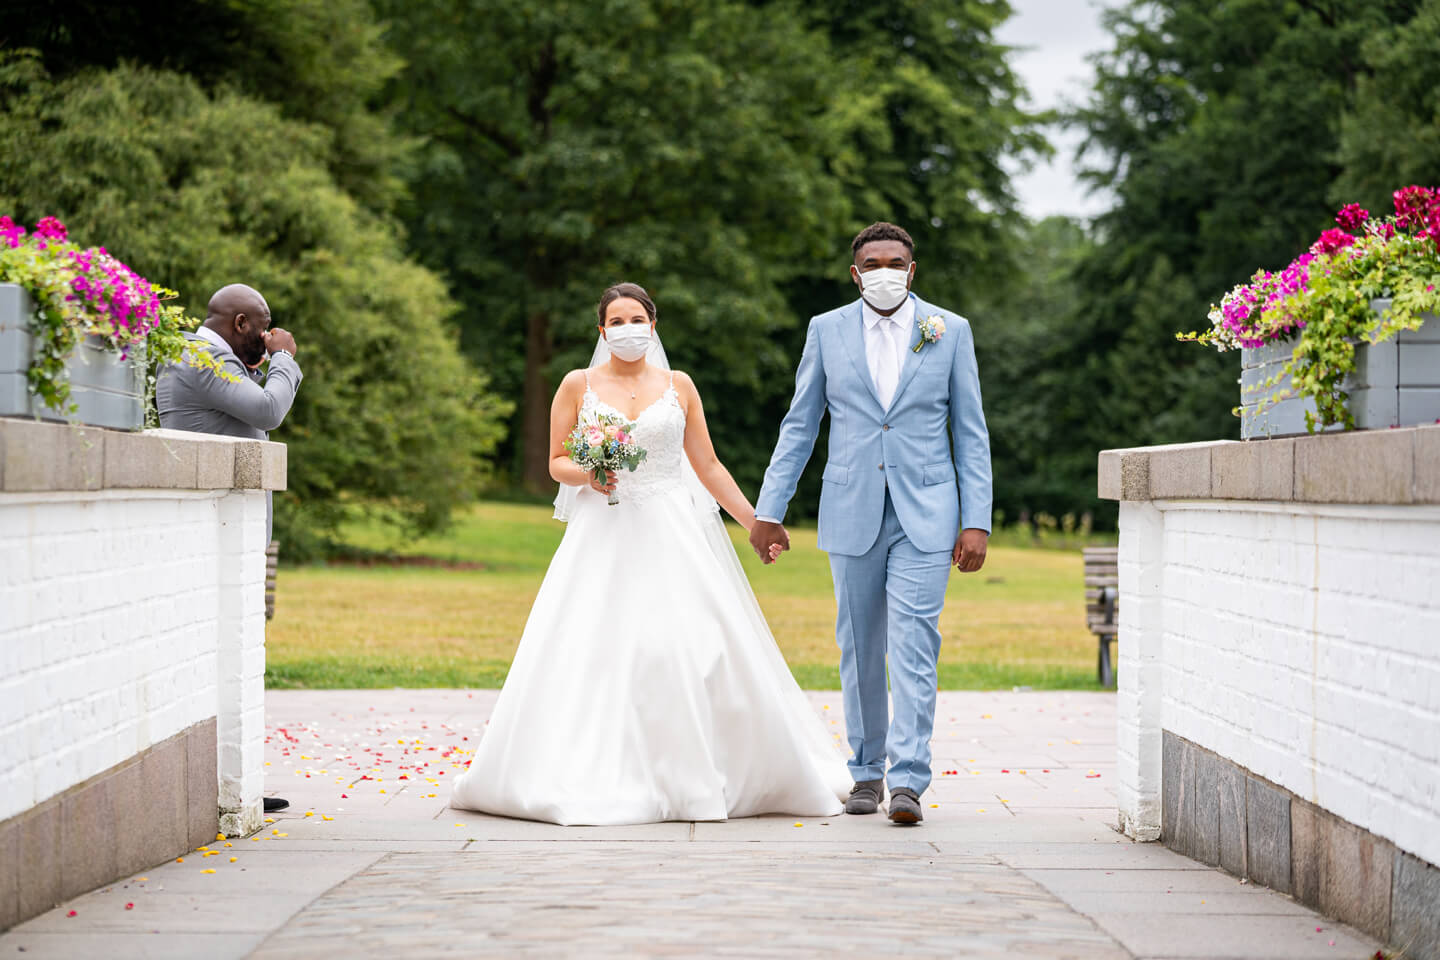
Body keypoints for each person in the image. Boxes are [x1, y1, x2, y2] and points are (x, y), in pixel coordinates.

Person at [449, 282, 849, 825]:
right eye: (616, 321)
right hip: (602, 531)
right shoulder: (577, 383)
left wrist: (756, 521)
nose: (627, 329)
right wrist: (591, 472)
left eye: (636, 318)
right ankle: (594, 766)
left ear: (653, 325)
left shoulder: (678, 386)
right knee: (590, 643)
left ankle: (705, 767)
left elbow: (707, 466)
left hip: (670, 529)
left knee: (691, 641)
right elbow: (556, 461)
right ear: (601, 330)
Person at [749, 222, 993, 825]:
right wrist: (769, 509)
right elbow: (800, 425)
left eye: (896, 261)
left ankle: (908, 781)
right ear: (856, 273)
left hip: (928, 515)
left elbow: (971, 432)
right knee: (860, 646)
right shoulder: (825, 330)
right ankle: (865, 772)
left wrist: (976, 520)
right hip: (852, 508)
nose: (885, 271)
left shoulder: (950, 331)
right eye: (873, 262)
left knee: (914, 645)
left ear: (913, 270)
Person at [157, 282, 303, 814]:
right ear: (241, 324)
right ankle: (226, 786)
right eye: (262, 327)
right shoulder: (201, 358)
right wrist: (285, 359)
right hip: (210, 538)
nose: (267, 337)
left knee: (240, 651)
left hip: (232, 534)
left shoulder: (210, 357)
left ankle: (237, 779)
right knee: (225, 650)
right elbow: (267, 411)